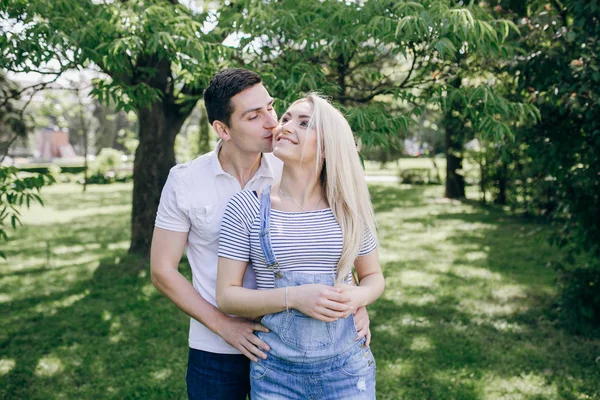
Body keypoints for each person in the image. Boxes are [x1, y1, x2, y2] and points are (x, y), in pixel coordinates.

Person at [150, 69, 371, 400]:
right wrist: (224, 326)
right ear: (222, 129)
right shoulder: (185, 181)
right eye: (255, 116)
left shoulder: (294, 164)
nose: (272, 123)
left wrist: (354, 300)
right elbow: (162, 270)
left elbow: (331, 237)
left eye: (271, 107)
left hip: (297, 344)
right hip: (217, 348)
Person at [216, 93, 385, 399]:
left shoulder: (347, 208)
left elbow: (374, 278)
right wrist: (293, 297)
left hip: (348, 370)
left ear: (327, 146)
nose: (284, 126)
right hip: (275, 375)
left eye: (304, 123)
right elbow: (226, 296)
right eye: (286, 119)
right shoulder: (246, 207)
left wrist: (357, 296)